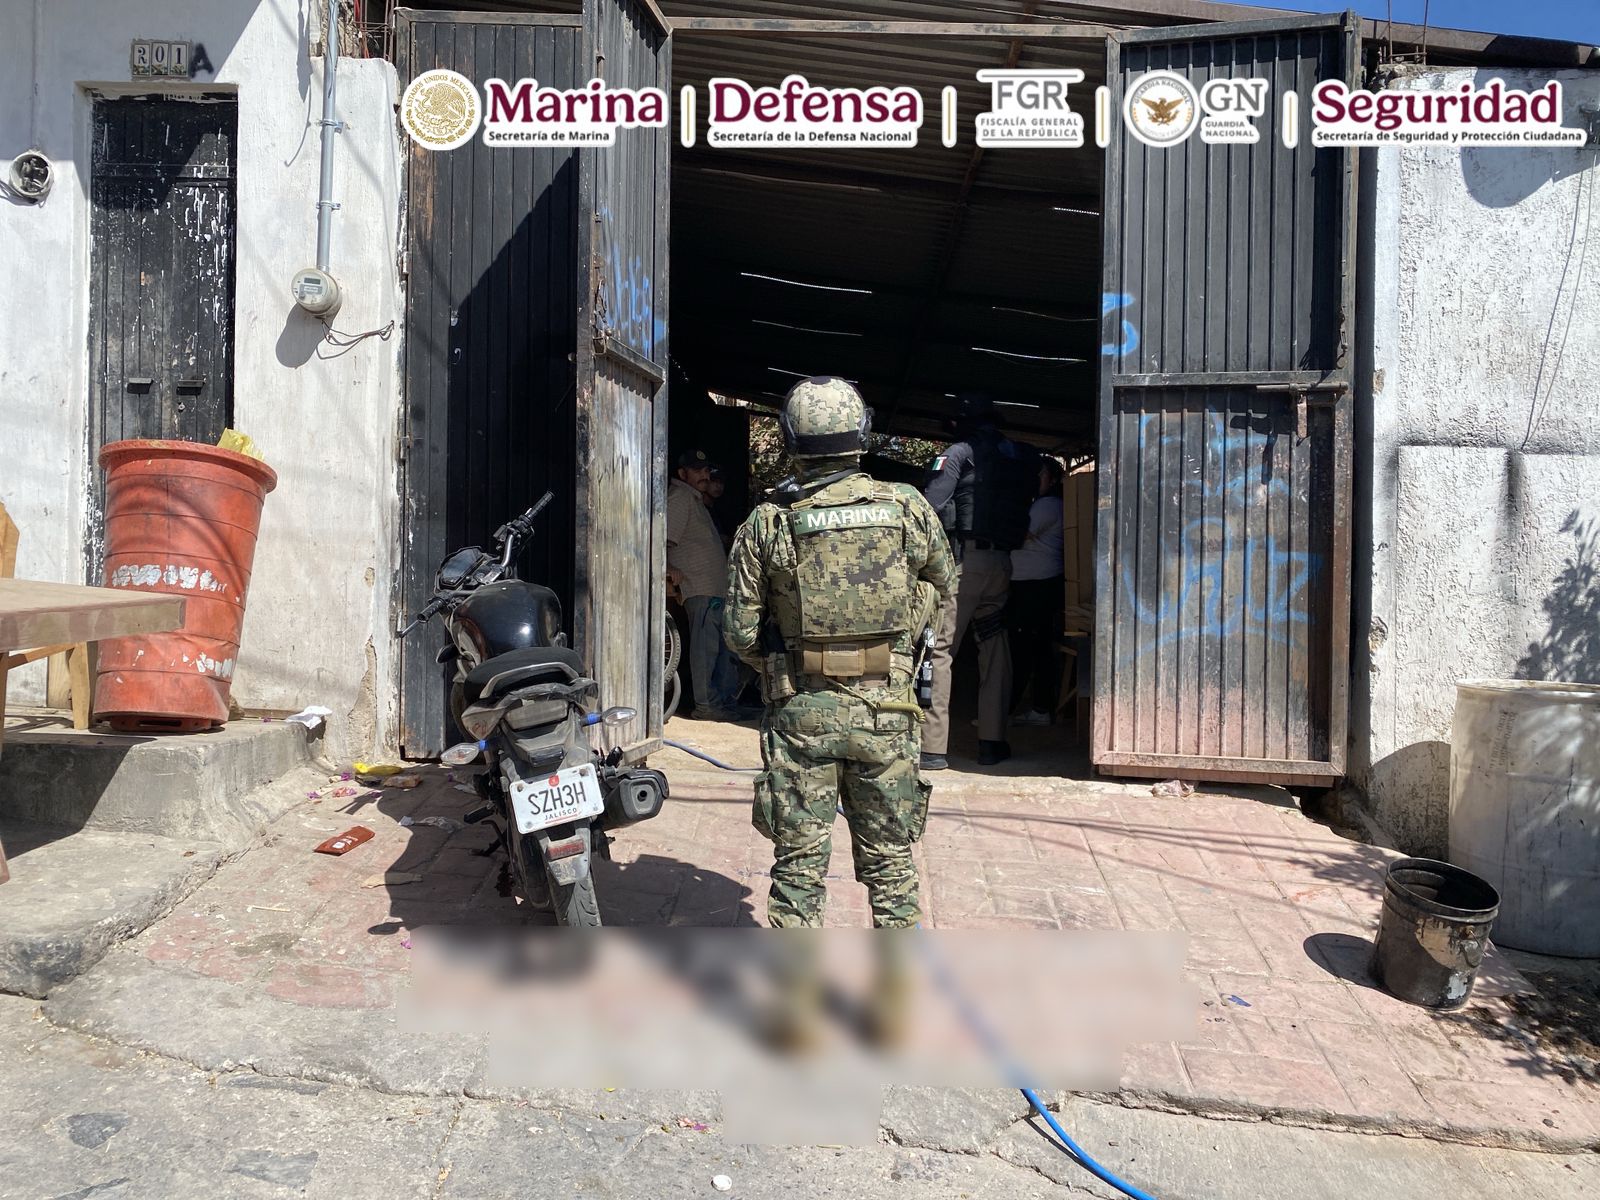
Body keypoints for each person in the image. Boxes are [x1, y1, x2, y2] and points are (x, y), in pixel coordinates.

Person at [725, 377, 955, 928]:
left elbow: (739, 631)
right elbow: (941, 582)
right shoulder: (907, 506)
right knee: (891, 863)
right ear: (861, 434)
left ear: (791, 439)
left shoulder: (769, 521)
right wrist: (899, 644)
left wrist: (784, 663)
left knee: (799, 868)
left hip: (801, 712)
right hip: (887, 712)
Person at [920, 393, 1039, 769]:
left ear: (961, 424)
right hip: (1001, 565)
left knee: (940, 650)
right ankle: (992, 741)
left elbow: (930, 506)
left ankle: (932, 748)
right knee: (994, 646)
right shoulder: (1019, 455)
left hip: (963, 565)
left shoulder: (958, 453)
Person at [666, 449, 750, 721]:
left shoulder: (695, 500)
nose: (704, 475)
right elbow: (662, 538)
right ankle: (706, 706)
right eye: (697, 470)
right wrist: (667, 568)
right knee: (705, 651)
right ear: (682, 474)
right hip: (699, 588)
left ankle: (722, 703)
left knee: (721, 651)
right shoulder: (680, 498)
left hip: (713, 589)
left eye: (706, 470)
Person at [1007, 456, 1066, 726]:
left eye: (1040, 474)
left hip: (1036, 585)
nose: (1034, 479)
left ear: (1052, 481)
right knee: (1034, 647)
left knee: (1026, 648)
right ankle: (1036, 708)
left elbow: (1018, 534)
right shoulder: (1040, 504)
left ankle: (1020, 709)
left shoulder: (1047, 505)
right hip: (1033, 583)